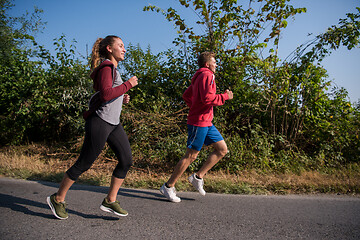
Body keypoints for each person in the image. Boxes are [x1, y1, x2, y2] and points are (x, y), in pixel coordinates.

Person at [46, 35, 138, 219]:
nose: (124, 49)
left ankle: (110, 201)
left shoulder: (114, 70)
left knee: (126, 160)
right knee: (85, 162)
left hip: (114, 123)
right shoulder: (106, 67)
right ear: (109, 49)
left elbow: (111, 93)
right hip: (100, 121)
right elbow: (105, 95)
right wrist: (128, 85)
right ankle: (57, 199)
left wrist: (123, 96)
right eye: (120, 45)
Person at [160, 51, 233, 202]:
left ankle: (197, 177)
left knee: (222, 149)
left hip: (206, 121)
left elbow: (187, 96)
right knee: (191, 156)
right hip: (199, 122)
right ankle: (168, 186)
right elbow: (208, 98)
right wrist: (225, 97)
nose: (216, 64)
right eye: (214, 62)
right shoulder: (208, 75)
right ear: (207, 64)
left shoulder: (199, 76)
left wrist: (195, 107)